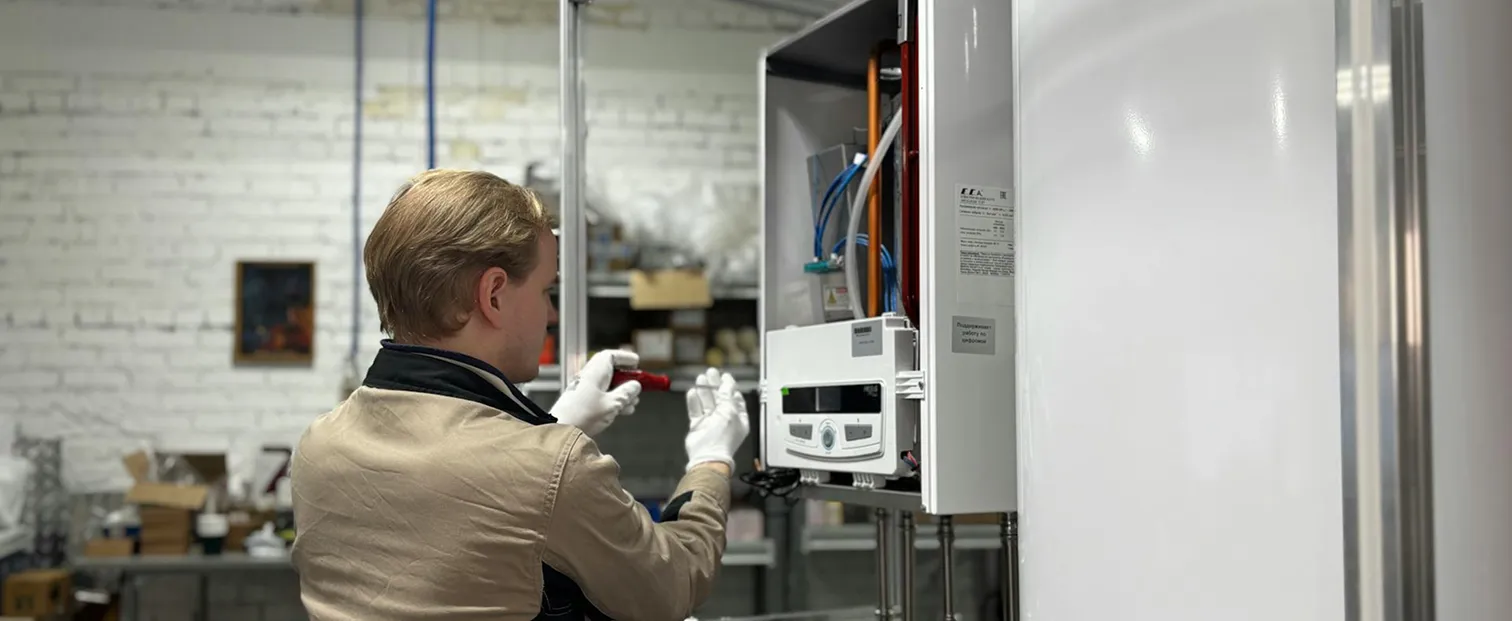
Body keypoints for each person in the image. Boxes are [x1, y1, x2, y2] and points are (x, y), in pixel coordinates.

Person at [290, 169, 751, 620]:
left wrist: (552, 426)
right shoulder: (551, 468)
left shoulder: (319, 445)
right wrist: (710, 463)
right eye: (546, 290)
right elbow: (671, 587)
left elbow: (462, 532)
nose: (551, 314)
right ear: (493, 295)